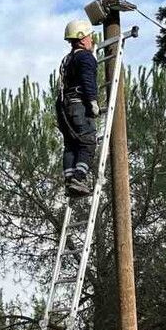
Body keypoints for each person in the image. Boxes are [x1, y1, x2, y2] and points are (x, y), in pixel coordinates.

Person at [56, 19, 99, 198]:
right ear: (82, 38)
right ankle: (79, 178)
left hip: (63, 107)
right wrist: (93, 102)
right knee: (87, 142)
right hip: (78, 105)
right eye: (90, 36)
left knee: (71, 145)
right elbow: (87, 81)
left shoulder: (67, 59)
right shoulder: (85, 57)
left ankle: (69, 180)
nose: (92, 39)